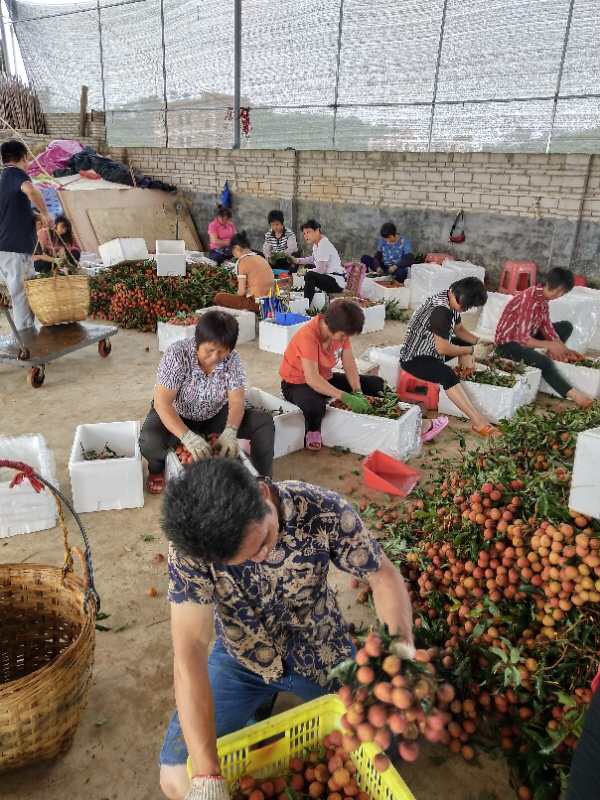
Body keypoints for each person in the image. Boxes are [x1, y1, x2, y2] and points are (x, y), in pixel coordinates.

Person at [158, 457, 415, 800]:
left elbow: (383, 575)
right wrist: (207, 775)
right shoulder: (193, 547)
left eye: (263, 541)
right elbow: (189, 645)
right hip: (243, 657)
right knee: (177, 778)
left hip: (320, 650)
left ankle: (269, 704)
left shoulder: (323, 511)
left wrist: (400, 651)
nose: (261, 557)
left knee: (385, 741)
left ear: (263, 494)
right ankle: (258, 701)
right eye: (243, 560)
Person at [280, 299, 447, 450]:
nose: (344, 339)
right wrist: (346, 397)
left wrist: (357, 390)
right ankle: (313, 430)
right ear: (330, 325)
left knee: (377, 384)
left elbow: (349, 364)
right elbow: (312, 379)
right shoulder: (307, 336)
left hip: (325, 378)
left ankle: (413, 421)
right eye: (343, 335)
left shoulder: (340, 332)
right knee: (315, 406)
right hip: (296, 384)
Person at [139, 310, 274, 494]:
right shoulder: (177, 355)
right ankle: (156, 468)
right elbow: (162, 404)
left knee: (263, 422)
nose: (215, 358)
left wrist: (231, 430)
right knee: (149, 440)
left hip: (214, 415)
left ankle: (262, 480)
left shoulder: (233, 361)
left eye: (222, 352)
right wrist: (186, 436)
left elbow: (236, 401)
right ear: (198, 342)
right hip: (178, 415)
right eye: (209, 350)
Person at [399, 277, 501, 437]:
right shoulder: (441, 311)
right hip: (415, 358)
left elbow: (459, 330)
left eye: (468, 307)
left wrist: (479, 341)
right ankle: (478, 421)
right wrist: (472, 350)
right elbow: (442, 348)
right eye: (464, 306)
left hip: (431, 348)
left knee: (463, 345)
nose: (464, 310)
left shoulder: (451, 298)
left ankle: (465, 377)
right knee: (447, 375)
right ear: (455, 292)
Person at [495, 268, 593, 409]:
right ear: (559, 290)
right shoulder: (528, 300)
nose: (561, 296)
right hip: (508, 344)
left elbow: (546, 327)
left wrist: (563, 349)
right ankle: (578, 397)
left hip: (527, 336)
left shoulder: (542, 299)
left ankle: (552, 361)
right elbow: (522, 339)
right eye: (563, 293)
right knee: (544, 362)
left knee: (565, 327)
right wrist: (551, 345)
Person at [0, 139, 52, 330]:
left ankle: (28, 337)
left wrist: (36, 215)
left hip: (13, 249)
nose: (29, 163)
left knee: (26, 292)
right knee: (21, 296)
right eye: (28, 159)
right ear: (23, 157)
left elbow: (13, 211)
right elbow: (31, 191)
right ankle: (25, 344)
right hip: (14, 249)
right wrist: (46, 213)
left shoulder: (4, 178)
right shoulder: (16, 174)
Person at [213, 232, 274, 313]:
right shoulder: (260, 258)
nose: (234, 255)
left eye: (232, 252)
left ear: (237, 248)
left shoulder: (241, 261)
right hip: (272, 301)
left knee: (219, 297)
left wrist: (236, 294)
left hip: (258, 304)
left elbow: (241, 292)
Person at [291, 220, 346, 304]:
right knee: (309, 271)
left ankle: (306, 304)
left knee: (310, 275)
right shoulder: (317, 244)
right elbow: (312, 258)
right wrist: (297, 260)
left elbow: (321, 270)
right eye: (304, 233)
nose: (306, 236)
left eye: (308, 232)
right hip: (329, 278)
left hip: (336, 281)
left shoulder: (324, 244)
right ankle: (307, 301)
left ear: (317, 231)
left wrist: (305, 272)